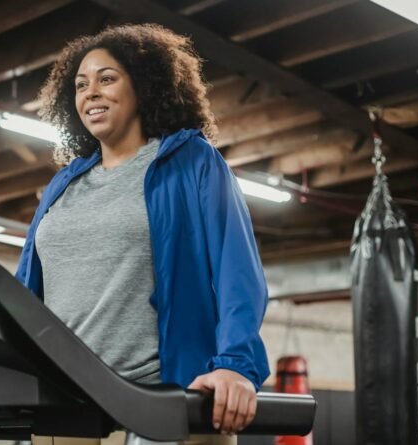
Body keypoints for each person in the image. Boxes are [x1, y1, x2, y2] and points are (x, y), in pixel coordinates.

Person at [14, 24, 271, 445]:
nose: (90, 92)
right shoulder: (64, 184)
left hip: (163, 394)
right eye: (81, 85)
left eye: (107, 78)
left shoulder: (191, 161)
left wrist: (235, 364)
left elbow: (236, 269)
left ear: (144, 87)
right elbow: (28, 290)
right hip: (67, 397)